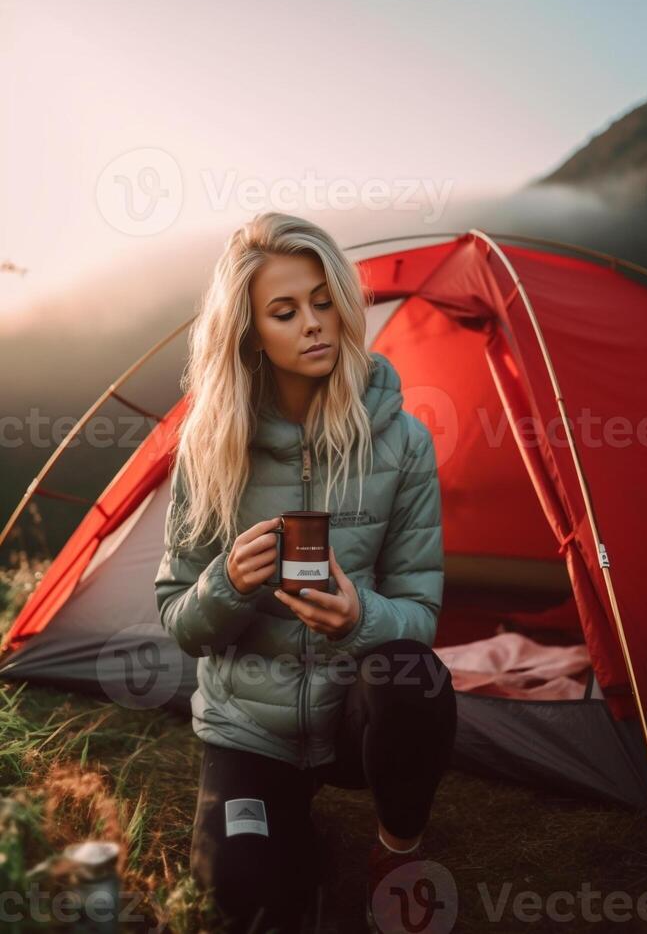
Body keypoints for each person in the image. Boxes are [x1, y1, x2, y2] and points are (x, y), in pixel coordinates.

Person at [153, 211, 458, 933]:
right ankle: (284, 833)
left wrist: (363, 620)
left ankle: (396, 847)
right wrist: (226, 581)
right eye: (286, 312)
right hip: (247, 730)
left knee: (416, 677)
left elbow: (420, 610)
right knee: (253, 899)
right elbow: (177, 616)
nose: (314, 323)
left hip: (351, 717)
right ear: (251, 332)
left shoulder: (404, 443)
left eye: (324, 301)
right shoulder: (210, 446)